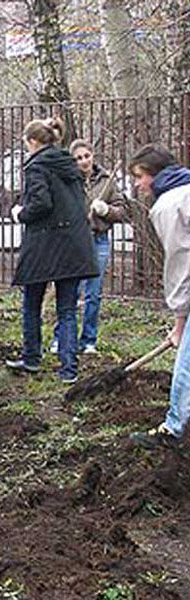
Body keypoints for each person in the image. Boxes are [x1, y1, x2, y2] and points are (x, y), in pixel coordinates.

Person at [6, 117, 98, 384]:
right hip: (73, 246)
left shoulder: (37, 166)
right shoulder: (69, 165)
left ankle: (31, 358)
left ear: (33, 142)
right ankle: (69, 369)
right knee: (67, 309)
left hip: (44, 247)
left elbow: (41, 204)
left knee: (31, 304)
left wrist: (19, 214)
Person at [127, 145, 190, 449]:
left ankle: (174, 429)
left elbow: (181, 263)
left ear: (155, 175)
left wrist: (180, 320)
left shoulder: (169, 205)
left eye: (139, 177)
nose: (137, 185)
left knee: (186, 365)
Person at [49, 139, 127, 355]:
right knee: (69, 291)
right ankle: (62, 338)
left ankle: (88, 340)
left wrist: (106, 210)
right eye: (78, 158)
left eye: (86, 156)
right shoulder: (68, 181)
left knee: (93, 293)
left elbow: (122, 211)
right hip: (74, 242)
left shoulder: (107, 180)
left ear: (93, 155)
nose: (84, 161)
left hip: (98, 240)